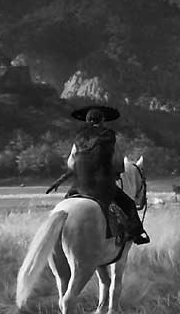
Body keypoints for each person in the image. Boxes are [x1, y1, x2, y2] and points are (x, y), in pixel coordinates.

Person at [64, 105, 150, 245]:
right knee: (128, 204)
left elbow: (71, 162)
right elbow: (117, 162)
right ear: (102, 120)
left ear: (86, 121)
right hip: (102, 184)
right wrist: (116, 172)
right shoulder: (109, 135)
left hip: (80, 185)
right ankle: (137, 234)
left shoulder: (79, 137)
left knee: (65, 202)